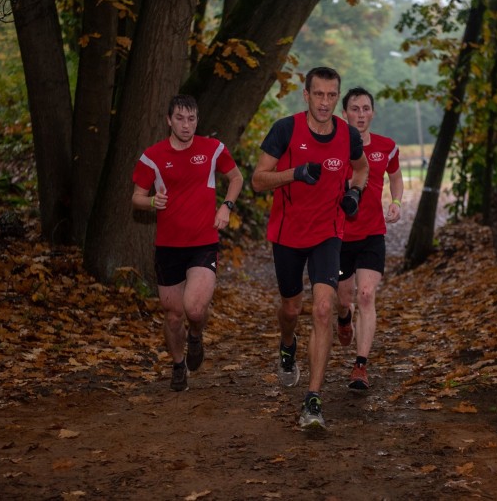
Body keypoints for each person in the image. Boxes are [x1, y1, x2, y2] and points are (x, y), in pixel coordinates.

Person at [252, 67, 369, 429]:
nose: (324, 102)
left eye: (331, 95)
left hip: (328, 232)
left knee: (322, 309)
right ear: (306, 95)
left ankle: (313, 400)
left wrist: (354, 193)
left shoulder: (348, 135)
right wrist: (295, 173)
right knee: (291, 308)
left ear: (338, 97)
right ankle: (288, 345)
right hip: (288, 234)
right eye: (318, 94)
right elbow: (257, 181)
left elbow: (361, 169)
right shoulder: (285, 129)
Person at [132, 94, 243, 392]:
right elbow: (136, 197)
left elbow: (236, 178)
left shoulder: (213, 149)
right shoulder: (152, 157)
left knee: (194, 310)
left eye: (191, 119)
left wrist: (226, 207)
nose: (186, 125)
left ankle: (196, 335)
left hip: (203, 242)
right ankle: (179, 363)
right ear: (169, 120)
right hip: (168, 246)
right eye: (180, 118)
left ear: (197, 120)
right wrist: (153, 200)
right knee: (173, 314)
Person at [336, 87, 403, 391]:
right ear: (344, 113)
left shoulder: (387, 146)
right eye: (354, 109)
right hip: (337, 237)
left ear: (372, 112)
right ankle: (343, 317)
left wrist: (396, 202)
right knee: (343, 298)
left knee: (366, 295)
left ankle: (360, 366)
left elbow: (396, 176)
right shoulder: (334, 147)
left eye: (365, 109)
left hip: (372, 233)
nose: (360, 115)